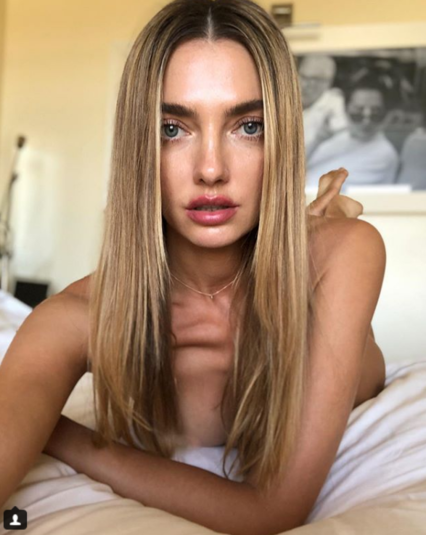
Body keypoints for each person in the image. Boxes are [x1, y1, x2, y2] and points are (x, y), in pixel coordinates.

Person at [0, 0, 386, 533]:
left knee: (331, 250)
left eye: (248, 126)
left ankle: (321, 217)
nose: (210, 169)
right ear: (138, 146)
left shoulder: (345, 257)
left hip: (324, 282)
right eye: (172, 129)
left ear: (282, 137)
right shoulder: (73, 320)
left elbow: (271, 510)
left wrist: (65, 435)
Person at [306, 74, 400, 189]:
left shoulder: (384, 154)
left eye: (375, 113)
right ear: (346, 110)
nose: (366, 122)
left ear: (385, 114)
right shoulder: (332, 138)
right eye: (358, 112)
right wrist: (318, 140)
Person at [299, 55, 348, 160]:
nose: (304, 85)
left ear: (328, 83)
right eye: (303, 76)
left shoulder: (337, 106)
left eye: (314, 79)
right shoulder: (285, 98)